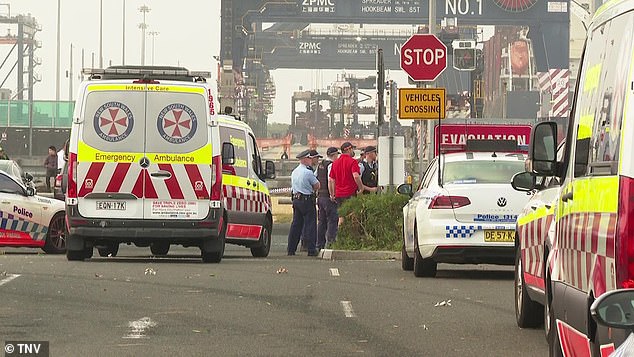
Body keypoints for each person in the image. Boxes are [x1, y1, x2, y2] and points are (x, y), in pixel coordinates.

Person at [287, 149, 320, 257]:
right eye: (310, 158)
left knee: (296, 225)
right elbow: (317, 185)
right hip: (306, 200)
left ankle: (291, 249)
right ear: (305, 159)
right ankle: (311, 249)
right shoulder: (308, 172)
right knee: (310, 225)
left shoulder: (295, 171)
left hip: (296, 200)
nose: (311, 161)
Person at [329, 141, 365, 237]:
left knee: (341, 217)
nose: (353, 151)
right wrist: (361, 188)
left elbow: (331, 180)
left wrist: (332, 194)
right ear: (348, 149)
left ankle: (341, 237)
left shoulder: (335, 163)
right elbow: (356, 176)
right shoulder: (352, 162)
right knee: (354, 215)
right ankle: (353, 237)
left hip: (339, 194)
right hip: (350, 193)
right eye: (352, 148)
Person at [316, 147, 340, 250]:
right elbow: (331, 180)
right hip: (328, 197)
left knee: (322, 222)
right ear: (334, 155)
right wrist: (332, 194)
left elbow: (316, 179)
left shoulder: (320, 165)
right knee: (332, 220)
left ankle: (319, 244)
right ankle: (331, 243)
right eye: (337, 155)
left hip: (320, 196)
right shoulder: (331, 165)